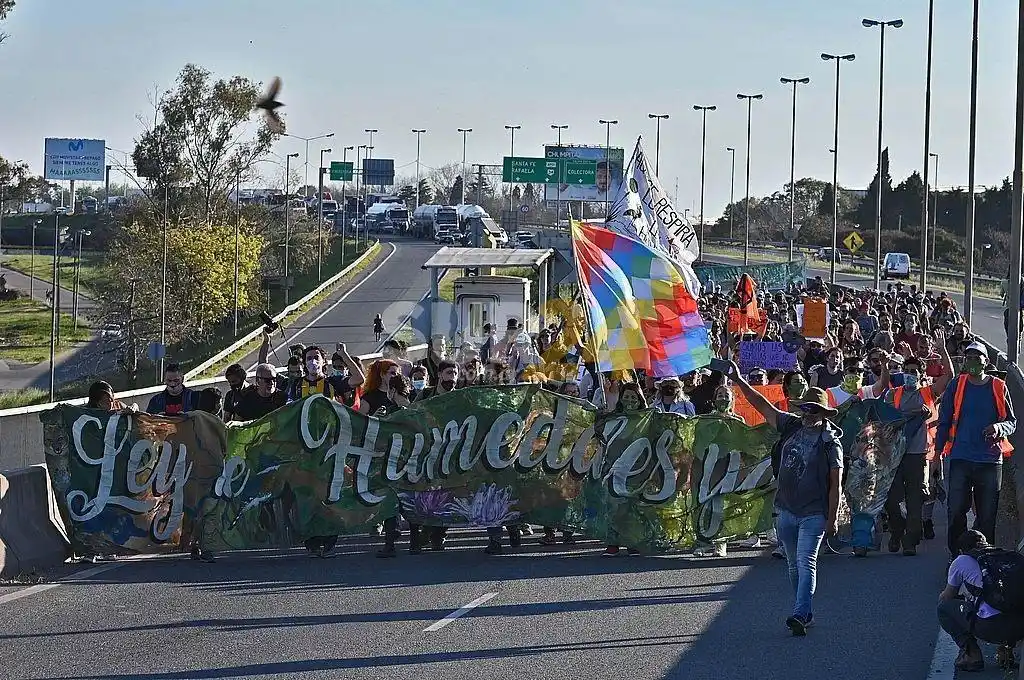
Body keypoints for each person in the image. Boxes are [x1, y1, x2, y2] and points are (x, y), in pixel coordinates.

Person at [729, 360, 842, 637]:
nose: (807, 413)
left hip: (813, 513)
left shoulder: (831, 442)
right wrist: (740, 380)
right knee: (793, 566)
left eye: (813, 409)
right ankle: (803, 608)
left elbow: (835, 483)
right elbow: (763, 407)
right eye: (804, 408)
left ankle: (800, 613)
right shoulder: (791, 425)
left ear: (823, 413)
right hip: (786, 510)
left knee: (806, 562)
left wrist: (832, 518)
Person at [935, 342, 1016, 560]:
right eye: (968, 357)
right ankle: (957, 557)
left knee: (987, 515)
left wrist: (999, 428)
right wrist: (936, 455)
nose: (971, 362)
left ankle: (984, 558)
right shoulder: (956, 385)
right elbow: (944, 421)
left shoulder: (998, 387)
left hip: (990, 461)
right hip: (961, 457)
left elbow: (1011, 422)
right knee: (956, 512)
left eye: (976, 357)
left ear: (985, 362)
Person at [883, 340, 952, 556]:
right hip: (894, 455)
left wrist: (942, 350)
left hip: (917, 454)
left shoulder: (927, 393)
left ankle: (910, 540)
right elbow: (883, 421)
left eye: (914, 371)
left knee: (915, 497)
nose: (909, 374)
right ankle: (896, 531)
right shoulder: (892, 395)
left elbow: (949, 376)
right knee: (892, 499)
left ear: (921, 375)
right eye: (907, 371)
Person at [938, 530, 1024, 672]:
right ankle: (1006, 653)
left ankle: (972, 655)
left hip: (991, 627)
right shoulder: (1009, 558)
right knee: (1007, 601)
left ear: (961, 550)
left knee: (943, 608)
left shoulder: (961, 561)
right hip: (1021, 626)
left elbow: (947, 597)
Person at [602, 381, 648, 557]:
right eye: (626, 397)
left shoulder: (645, 419)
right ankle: (612, 543)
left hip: (637, 469)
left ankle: (632, 542)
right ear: (621, 399)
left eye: (633, 397)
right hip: (613, 468)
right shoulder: (613, 418)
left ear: (639, 400)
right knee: (613, 506)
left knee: (632, 507)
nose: (629, 400)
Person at [287, 344, 365, 407]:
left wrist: (344, 354)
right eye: (309, 358)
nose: (313, 361)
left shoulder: (334, 382)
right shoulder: (296, 384)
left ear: (323, 361)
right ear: (305, 363)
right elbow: (289, 409)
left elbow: (359, 379)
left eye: (316, 358)